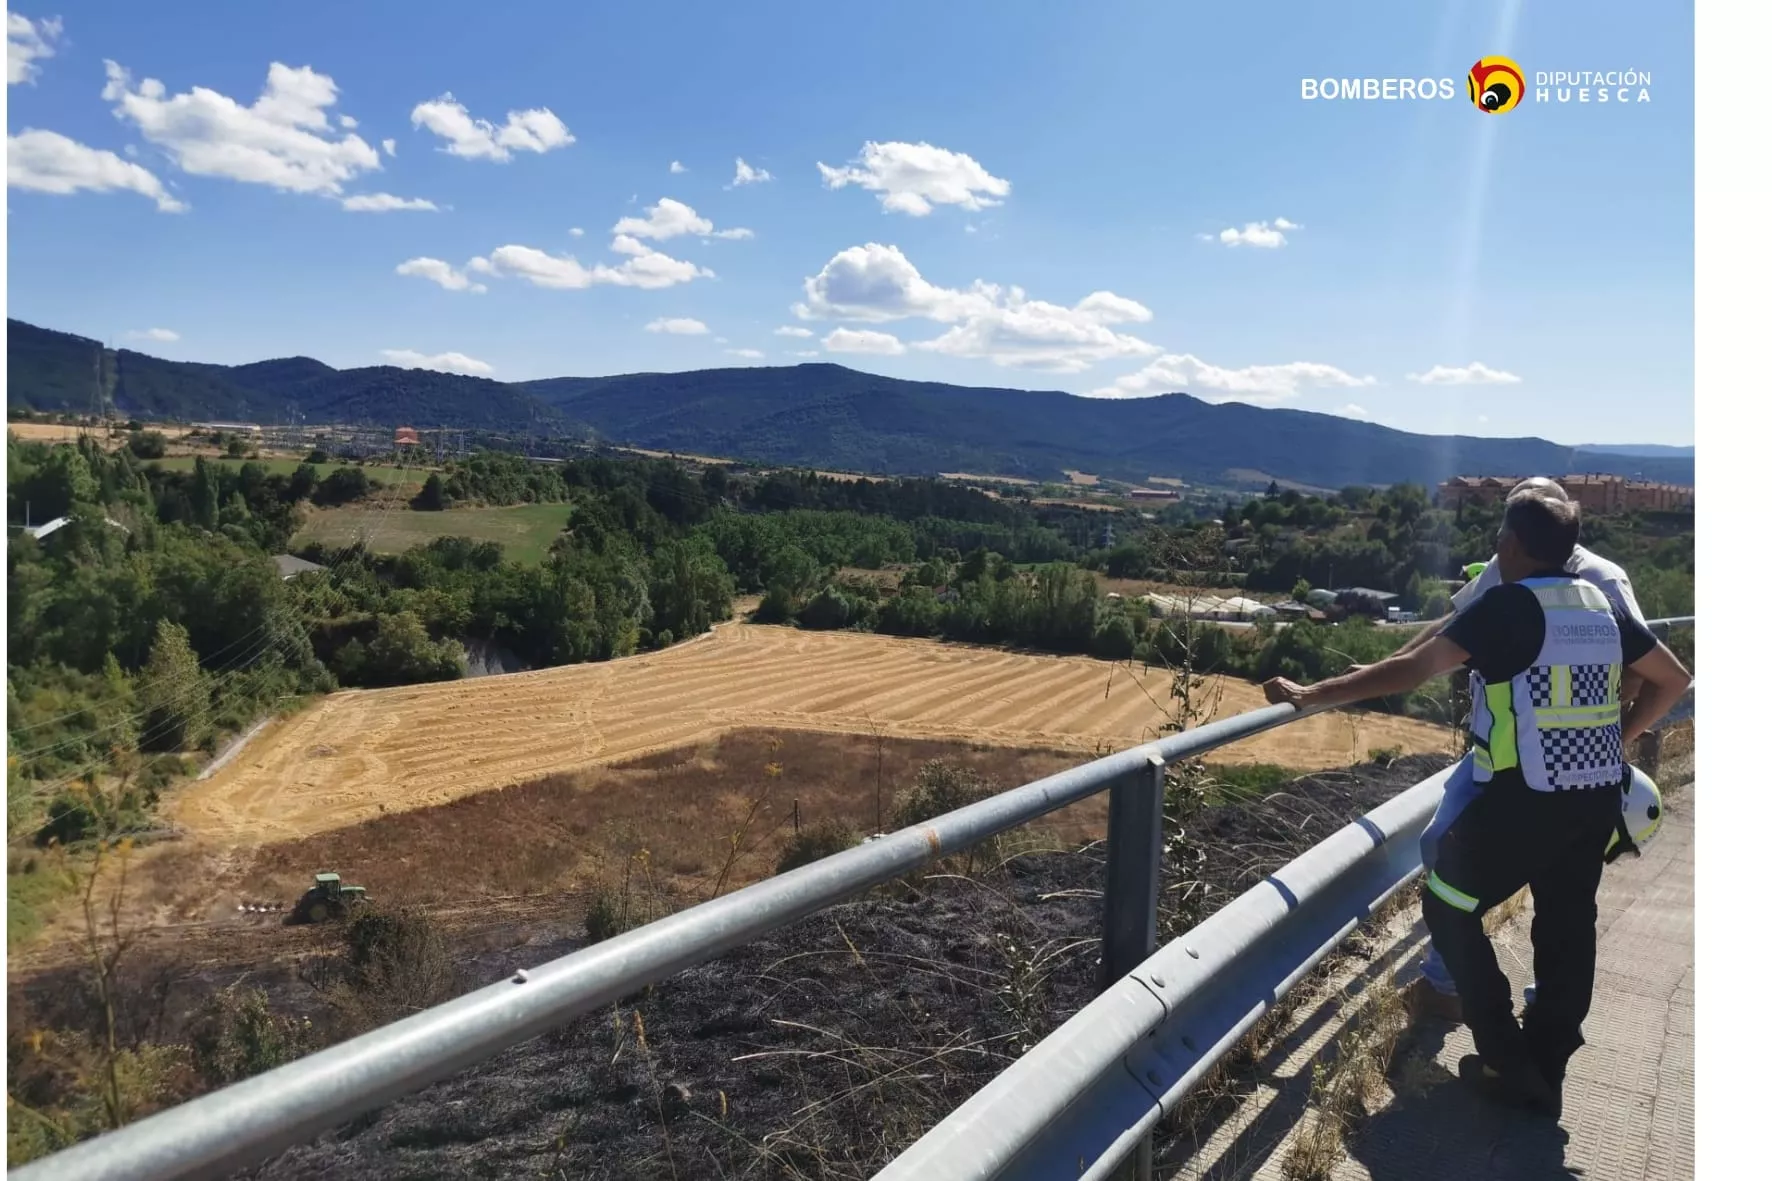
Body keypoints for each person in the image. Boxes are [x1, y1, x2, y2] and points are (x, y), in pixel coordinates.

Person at [1262, 493, 1691, 1114]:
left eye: (1500, 538)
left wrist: (1313, 694)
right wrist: (1618, 739)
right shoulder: (1599, 604)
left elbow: (1412, 669)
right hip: (1595, 798)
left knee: (1447, 901)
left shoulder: (1509, 606)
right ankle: (1545, 1072)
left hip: (1525, 800)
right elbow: (1674, 679)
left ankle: (1503, 1052)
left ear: (1513, 544)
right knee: (1568, 930)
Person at [1393, 477, 1652, 1022]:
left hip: (1555, 768)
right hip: (1503, 750)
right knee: (1454, 853)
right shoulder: (1510, 564)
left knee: (1521, 893)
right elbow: (1458, 626)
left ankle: (1492, 1010)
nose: (1501, 542)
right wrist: (1389, 663)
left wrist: (1609, 739)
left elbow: (1642, 668)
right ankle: (1471, 998)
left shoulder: (1603, 579)